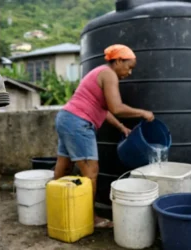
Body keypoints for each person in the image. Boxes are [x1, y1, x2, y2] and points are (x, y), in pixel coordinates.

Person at [53, 44, 154, 228]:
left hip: (66, 118)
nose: (129, 72)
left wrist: (121, 127)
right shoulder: (109, 74)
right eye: (129, 67)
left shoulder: (99, 72)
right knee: (91, 172)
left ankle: (55, 211)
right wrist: (142, 113)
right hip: (78, 123)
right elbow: (116, 108)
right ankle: (89, 218)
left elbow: (103, 110)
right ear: (117, 61)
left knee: (64, 167)